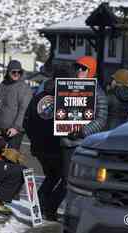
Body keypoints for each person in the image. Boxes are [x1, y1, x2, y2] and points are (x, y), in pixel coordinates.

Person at [23, 68, 69, 221]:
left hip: (39, 146)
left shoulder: (38, 97)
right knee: (65, 178)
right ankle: (48, 207)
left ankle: (42, 206)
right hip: (55, 146)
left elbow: (26, 121)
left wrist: (34, 139)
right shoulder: (64, 99)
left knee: (52, 176)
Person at [60, 56, 108, 199]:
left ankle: (74, 212)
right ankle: (49, 208)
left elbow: (101, 118)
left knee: (79, 182)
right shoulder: (67, 87)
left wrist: (83, 131)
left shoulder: (97, 92)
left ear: (91, 71)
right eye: (77, 67)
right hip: (66, 141)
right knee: (64, 179)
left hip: (83, 144)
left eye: (84, 68)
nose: (79, 71)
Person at [0, 60, 33, 150]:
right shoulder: (2, 85)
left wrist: (16, 127)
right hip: (0, 129)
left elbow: (24, 110)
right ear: (8, 72)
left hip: (13, 131)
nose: (16, 74)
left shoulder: (24, 88)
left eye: (19, 72)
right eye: (13, 72)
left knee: (10, 158)